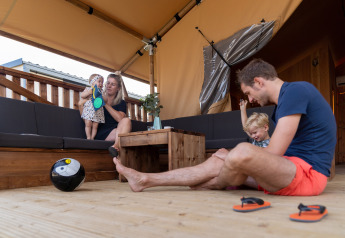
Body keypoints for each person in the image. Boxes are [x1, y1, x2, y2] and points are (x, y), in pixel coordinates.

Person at [113, 58, 337, 196]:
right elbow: (276, 155)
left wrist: (231, 158)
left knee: (240, 152)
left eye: (249, 93)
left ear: (259, 81)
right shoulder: (283, 104)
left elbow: (274, 153)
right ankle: (145, 180)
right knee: (223, 156)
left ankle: (215, 184)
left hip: (309, 175)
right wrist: (227, 158)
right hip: (288, 169)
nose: (250, 100)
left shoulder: (296, 91)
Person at [79, 73, 131, 149]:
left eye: (113, 84)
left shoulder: (121, 102)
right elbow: (87, 118)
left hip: (115, 131)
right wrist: (81, 105)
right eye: (108, 83)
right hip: (99, 131)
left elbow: (120, 119)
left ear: (118, 88)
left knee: (126, 121)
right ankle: (116, 149)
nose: (109, 86)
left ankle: (115, 147)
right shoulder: (96, 98)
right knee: (123, 136)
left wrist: (104, 103)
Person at [80, 74, 105, 140]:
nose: (101, 84)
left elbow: (105, 99)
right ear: (92, 82)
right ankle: (88, 137)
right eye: (99, 81)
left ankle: (92, 137)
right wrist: (88, 93)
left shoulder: (101, 91)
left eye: (102, 82)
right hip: (89, 110)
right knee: (88, 123)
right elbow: (82, 95)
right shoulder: (88, 89)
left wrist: (102, 97)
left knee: (95, 125)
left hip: (97, 111)